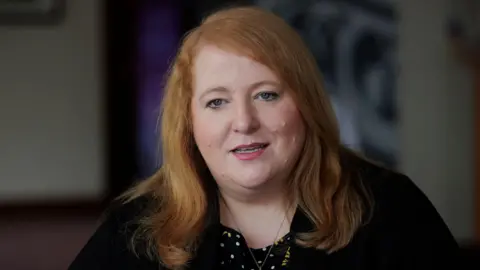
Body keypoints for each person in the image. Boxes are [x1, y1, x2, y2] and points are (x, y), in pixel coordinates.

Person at [69, 6, 459, 270]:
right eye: (217, 102)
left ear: (305, 103)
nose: (243, 121)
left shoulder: (390, 209)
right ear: (189, 123)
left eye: (266, 95)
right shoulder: (137, 229)